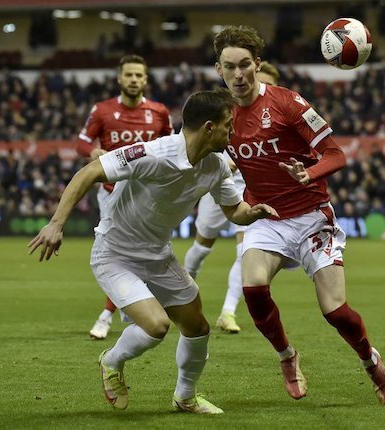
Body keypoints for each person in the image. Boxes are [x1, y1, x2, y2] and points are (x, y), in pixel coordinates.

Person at [28, 89, 278, 413]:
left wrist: (255, 211)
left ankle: (185, 397)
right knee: (157, 326)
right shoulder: (152, 153)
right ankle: (111, 361)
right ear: (208, 127)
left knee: (197, 328)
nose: (233, 132)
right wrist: (56, 224)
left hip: (158, 255)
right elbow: (88, 172)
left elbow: (235, 211)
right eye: (228, 125)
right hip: (114, 254)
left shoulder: (215, 166)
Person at [213, 25, 385, 405]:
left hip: (312, 216)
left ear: (258, 64)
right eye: (229, 67)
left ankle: (369, 360)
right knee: (254, 289)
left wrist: (307, 173)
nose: (238, 75)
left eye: (245, 65)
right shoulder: (220, 116)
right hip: (266, 217)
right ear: (219, 70)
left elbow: (336, 154)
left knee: (336, 312)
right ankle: (287, 357)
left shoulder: (289, 103)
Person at [76, 54, 173, 340]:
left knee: (135, 252)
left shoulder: (159, 112)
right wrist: (93, 152)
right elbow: (82, 142)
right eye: (128, 75)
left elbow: (169, 145)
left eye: (138, 75)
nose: (133, 80)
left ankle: (120, 311)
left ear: (145, 79)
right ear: (119, 78)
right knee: (117, 252)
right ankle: (110, 314)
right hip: (111, 193)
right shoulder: (103, 111)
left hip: (147, 194)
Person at [183, 60, 281, 334]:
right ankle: (178, 294)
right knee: (202, 246)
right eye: (264, 83)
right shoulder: (229, 110)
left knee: (244, 251)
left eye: (272, 85)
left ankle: (228, 312)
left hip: (249, 191)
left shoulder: (278, 117)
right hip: (218, 183)